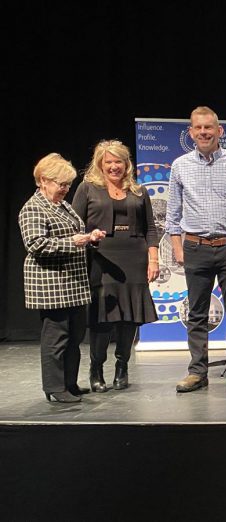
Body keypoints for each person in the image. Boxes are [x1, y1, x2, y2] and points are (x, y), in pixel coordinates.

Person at [165, 106, 226, 392]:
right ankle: (197, 371)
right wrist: (177, 246)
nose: (204, 132)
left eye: (209, 127)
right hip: (195, 246)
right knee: (196, 313)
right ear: (191, 132)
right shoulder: (180, 165)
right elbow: (173, 213)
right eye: (198, 128)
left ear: (219, 131)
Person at [72, 140, 159, 393]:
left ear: (126, 164)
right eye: (108, 162)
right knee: (103, 316)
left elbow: (151, 229)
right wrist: (87, 240)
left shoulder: (139, 191)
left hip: (134, 256)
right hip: (101, 258)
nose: (113, 167)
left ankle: (123, 367)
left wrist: (153, 259)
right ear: (100, 164)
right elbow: (75, 225)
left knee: (130, 316)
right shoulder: (87, 188)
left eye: (118, 161)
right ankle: (96, 368)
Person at [19, 153, 105, 403]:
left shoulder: (63, 205)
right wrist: (73, 241)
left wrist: (89, 237)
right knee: (56, 339)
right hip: (51, 284)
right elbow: (36, 244)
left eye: (68, 184)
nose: (66, 189)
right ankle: (55, 387)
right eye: (61, 184)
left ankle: (69, 383)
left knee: (75, 336)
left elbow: (74, 234)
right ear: (43, 180)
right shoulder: (33, 208)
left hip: (74, 283)